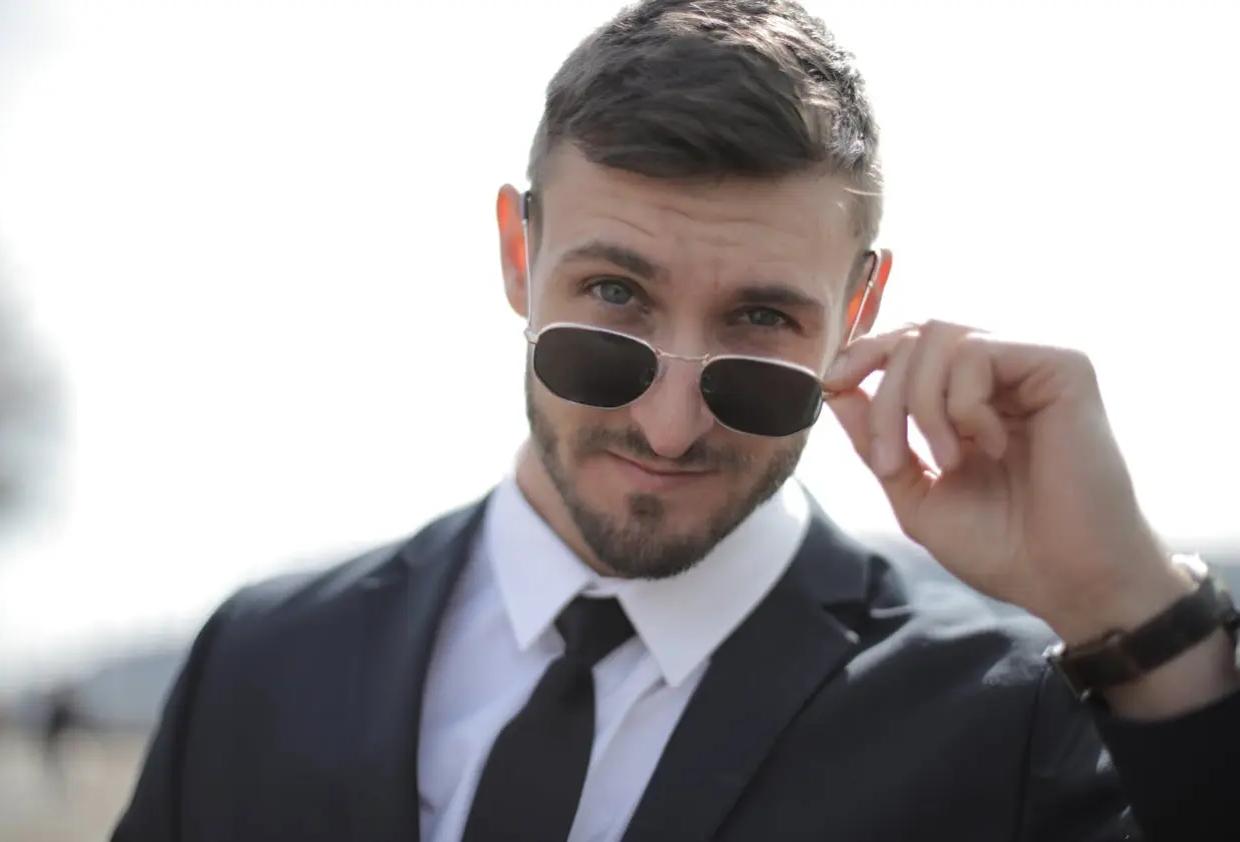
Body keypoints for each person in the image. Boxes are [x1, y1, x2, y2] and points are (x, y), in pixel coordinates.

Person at [111, 2, 1240, 840]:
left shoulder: (1008, 726)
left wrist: (1131, 604)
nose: (667, 422)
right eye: (613, 301)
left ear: (857, 311)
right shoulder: (256, 666)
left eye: (759, 321)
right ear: (519, 255)